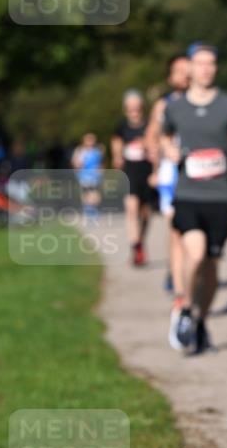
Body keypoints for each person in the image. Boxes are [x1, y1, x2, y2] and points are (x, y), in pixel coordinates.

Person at [162, 42, 227, 354]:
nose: (206, 68)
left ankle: (201, 322)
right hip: (187, 193)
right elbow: (161, 136)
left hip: (220, 196)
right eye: (200, 63)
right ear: (189, 67)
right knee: (195, 252)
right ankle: (185, 308)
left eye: (211, 63)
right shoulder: (174, 107)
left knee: (212, 265)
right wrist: (168, 150)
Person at [144, 54, 190, 295]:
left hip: (197, 173)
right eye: (179, 70)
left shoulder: (205, 102)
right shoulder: (163, 105)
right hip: (171, 173)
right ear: (171, 77)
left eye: (188, 68)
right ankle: (176, 273)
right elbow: (150, 138)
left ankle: (189, 271)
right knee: (176, 226)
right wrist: (157, 161)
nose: (185, 74)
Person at [111, 90, 155, 266]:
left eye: (136, 107)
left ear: (141, 107)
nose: (134, 110)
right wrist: (117, 156)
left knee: (146, 213)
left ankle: (140, 241)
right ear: (125, 108)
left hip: (147, 171)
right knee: (132, 209)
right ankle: (136, 246)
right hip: (130, 171)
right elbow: (116, 142)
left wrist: (148, 146)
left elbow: (155, 142)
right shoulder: (122, 126)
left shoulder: (149, 125)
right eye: (130, 107)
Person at [71, 132, 105, 223]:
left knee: (96, 196)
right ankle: (90, 212)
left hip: (95, 175)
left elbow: (100, 163)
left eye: (92, 139)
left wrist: (101, 170)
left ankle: (91, 209)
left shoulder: (98, 150)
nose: (90, 141)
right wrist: (78, 166)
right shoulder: (80, 151)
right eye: (88, 139)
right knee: (87, 194)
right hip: (84, 175)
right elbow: (75, 163)